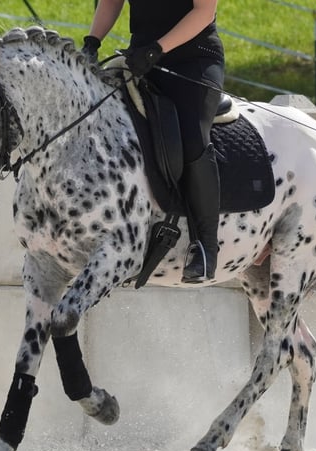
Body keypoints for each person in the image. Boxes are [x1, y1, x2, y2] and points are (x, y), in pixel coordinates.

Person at [82, 0, 225, 282]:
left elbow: (204, 12)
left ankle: (206, 246)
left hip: (194, 60)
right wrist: (91, 43)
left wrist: (157, 48)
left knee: (193, 139)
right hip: (141, 61)